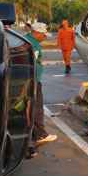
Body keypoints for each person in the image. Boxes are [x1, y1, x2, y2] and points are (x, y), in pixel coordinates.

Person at [24, 22, 58, 157]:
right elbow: (31, 63)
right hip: (32, 82)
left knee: (32, 109)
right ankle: (38, 135)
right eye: (43, 35)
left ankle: (35, 137)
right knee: (35, 108)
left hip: (29, 81)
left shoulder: (25, 40)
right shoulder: (33, 45)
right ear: (37, 33)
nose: (44, 37)